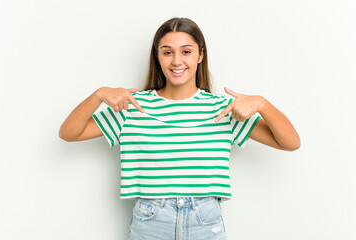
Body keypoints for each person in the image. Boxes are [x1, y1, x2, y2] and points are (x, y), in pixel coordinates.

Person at [59, 17, 300, 240]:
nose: (176, 61)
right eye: (167, 52)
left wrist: (262, 104)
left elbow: (290, 142)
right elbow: (69, 133)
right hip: (150, 221)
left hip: (205, 221)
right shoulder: (133, 107)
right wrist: (98, 95)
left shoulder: (223, 108)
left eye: (186, 51)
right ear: (157, 57)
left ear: (200, 55)